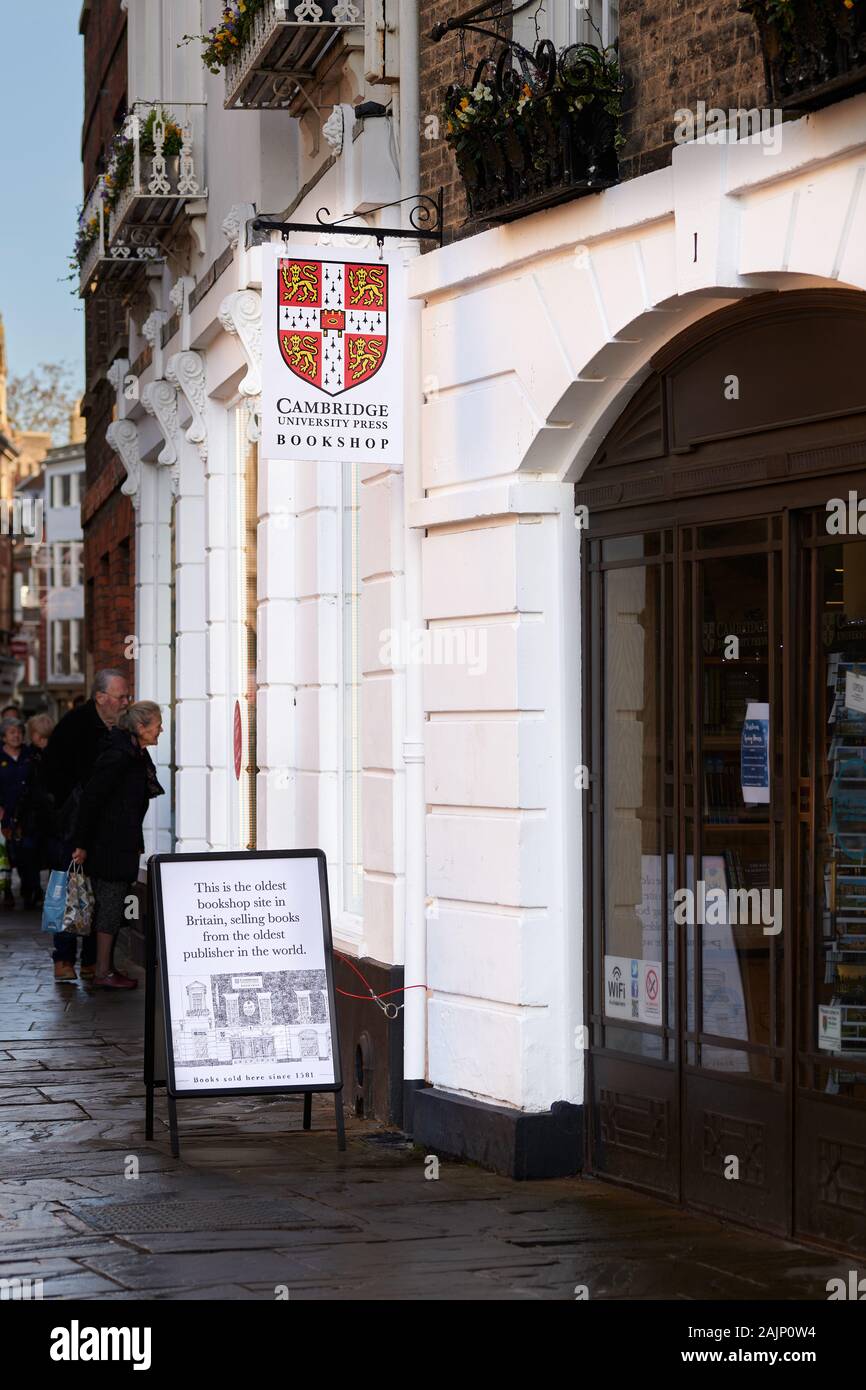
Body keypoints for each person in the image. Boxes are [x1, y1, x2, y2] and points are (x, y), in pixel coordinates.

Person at [40, 669, 129, 982]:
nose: (124, 702)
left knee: (101, 893)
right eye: (120, 697)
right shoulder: (75, 725)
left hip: (106, 826)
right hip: (73, 822)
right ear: (101, 698)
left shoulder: (121, 729)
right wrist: (68, 811)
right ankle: (63, 958)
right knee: (70, 888)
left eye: (126, 696)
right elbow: (51, 773)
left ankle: (92, 961)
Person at [72, 701, 164, 990]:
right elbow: (92, 799)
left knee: (112, 907)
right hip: (108, 845)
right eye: (157, 723)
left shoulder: (135, 754)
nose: (160, 728)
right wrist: (81, 843)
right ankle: (102, 971)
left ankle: (105, 968)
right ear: (140, 727)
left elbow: (132, 806)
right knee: (110, 907)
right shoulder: (119, 756)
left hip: (121, 842)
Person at [7, 714, 55, 911]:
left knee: (46, 855)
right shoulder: (30, 754)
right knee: (29, 855)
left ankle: (43, 892)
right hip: (34, 817)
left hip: (46, 816)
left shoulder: (43, 755)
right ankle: (33, 890)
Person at [0, 718, 35, 909]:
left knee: (26, 853)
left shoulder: (29, 755)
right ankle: (6, 891)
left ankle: (29, 890)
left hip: (26, 815)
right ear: (4, 736)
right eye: (12, 732)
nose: (16, 735)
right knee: (5, 856)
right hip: (4, 814)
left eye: (19, 731)